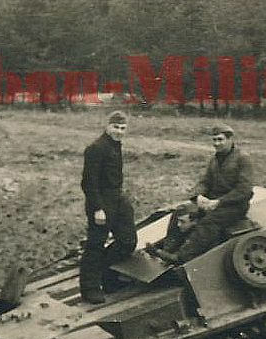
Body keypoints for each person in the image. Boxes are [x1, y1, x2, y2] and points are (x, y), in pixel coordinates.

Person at [154, 123, 254, 264]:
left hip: (234, 206)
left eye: (220, 139)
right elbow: (205, 182)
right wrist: (199, 196)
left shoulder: (243, 158)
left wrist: (219, 202)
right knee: (180, 211)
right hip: (212, 201)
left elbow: (244, 189)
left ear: (230, 139)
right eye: (214, 140)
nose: (216, 144)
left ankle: (182, 257)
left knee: (208, 222)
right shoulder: (214, 159)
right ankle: (167, 250)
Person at [79, 111, 137, 304]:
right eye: (116, 127)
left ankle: (108, 277)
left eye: (123, 128)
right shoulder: (96, 148)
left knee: (128, 241)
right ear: (107, 126)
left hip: (117, 199)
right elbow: (89, 183)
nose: (119, 132)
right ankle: (90, 289)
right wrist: (98, 208)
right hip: (101, 202)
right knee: (95, 245)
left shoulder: (115, 145)